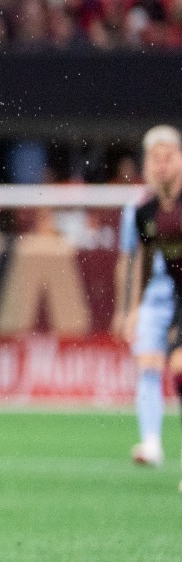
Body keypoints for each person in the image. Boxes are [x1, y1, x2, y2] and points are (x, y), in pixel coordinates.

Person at [115, 127, 180, 466]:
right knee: (149, 366)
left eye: (168, 157)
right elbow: (131, 259)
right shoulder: (139, 210)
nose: (162, 165)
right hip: (155, 299)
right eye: (155, 158)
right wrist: (129, 308)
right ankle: (151, 443)